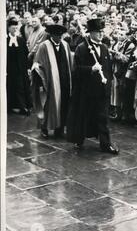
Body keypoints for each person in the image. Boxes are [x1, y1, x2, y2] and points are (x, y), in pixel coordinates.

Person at [66, 18, 119, 154]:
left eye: (102, 31)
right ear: (90, 33)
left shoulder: (104, 48)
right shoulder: (82, 48)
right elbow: (76, 70)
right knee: (84, 116)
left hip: (102, 91)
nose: (101, 34)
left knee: (103, 118)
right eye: (97, 32)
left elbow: (108, 69)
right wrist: (91, 69)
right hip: (87, 91)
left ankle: (105, 145)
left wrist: (107, 82)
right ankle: (79, 140)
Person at [31, 24, 73, 138]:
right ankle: (44, 129)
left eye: (61, 35)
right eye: (57, 35)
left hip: (64, 81)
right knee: (48, 105)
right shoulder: (44, 46)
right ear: (52, 35)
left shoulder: (65, 45)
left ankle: (59, 129)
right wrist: (41, 78)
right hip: (50, 82)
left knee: (63, 104)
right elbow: (37, 64)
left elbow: (70, 63)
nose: (60, 37)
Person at [7, 19, 32, 115]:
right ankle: (11, 106)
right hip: (10, 69)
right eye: (13, 28)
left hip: (21, 68)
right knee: (11, 87)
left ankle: (23, 106)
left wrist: (27, 67)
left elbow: (26, 54)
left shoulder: (21, 40)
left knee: (21, 87)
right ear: (9, 28)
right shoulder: (5, 41)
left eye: (16, 28)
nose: (15, 30)